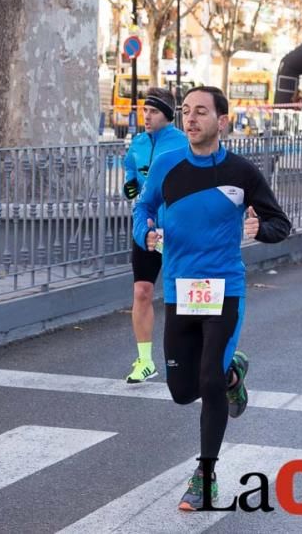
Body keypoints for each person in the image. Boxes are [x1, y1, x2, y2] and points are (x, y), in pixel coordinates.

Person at [133, 86, 291, 511]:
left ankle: (205, 477)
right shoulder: (166, 166)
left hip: (224, 291)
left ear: (222, 121)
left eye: (201, 112)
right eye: (186, 112)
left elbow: (281, 222)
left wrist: (262, 230)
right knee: (182, 391)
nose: (191, 119)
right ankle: (233, 375)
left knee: (206, 379)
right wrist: (144, 234)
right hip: (182, 291)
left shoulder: (242, 172)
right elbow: (142, 209)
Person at [122, 87, 188, 383]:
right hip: (146, 229)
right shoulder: (136, 143)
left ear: (168, 116)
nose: (146, 116)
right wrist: (130, 188)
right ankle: (145, 361)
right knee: (142, 291)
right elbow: (132, 180)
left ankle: (196, 356)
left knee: (186, 297)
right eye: (145, 110)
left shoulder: (183, 144)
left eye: (153, 112)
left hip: (179, 230)